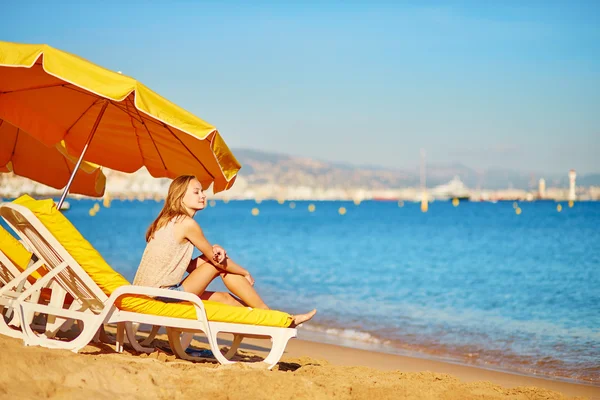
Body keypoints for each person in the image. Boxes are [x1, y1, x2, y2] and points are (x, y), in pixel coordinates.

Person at [133, 175, 316, 327]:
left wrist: (211, 252)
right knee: (219, 266)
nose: (203, 195)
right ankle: (271, 315)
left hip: (149, 293)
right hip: (164, 295)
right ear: (180, 197)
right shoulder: (187, 223)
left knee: (225, 299)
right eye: (196, 192)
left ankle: (278, 320)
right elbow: (216, 262)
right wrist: (244, 272)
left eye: (202, 191)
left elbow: (185, 266)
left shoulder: (165, 221)